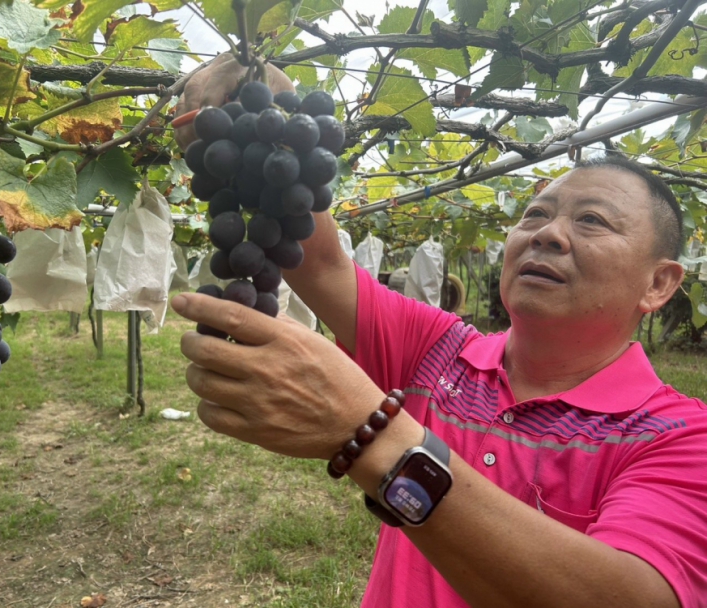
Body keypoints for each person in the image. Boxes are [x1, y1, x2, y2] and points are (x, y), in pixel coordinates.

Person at [169, 59, 707, 607]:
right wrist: (274, 104)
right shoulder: (441, 351)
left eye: (591, 220)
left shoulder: (681, 438)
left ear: (659, 283)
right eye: (534, 215)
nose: (548, 234)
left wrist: (371, 435)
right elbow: (320, 262)